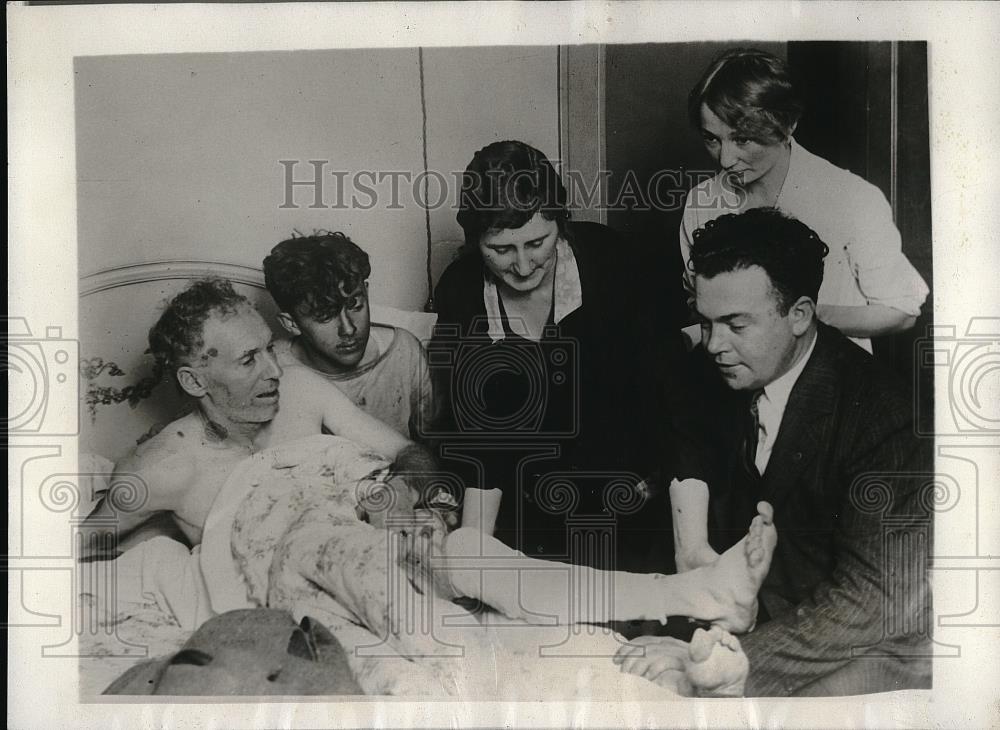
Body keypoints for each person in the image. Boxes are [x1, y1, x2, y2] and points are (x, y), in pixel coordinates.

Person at [616, 208, 932, 695]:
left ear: (799, 315)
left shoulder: (884, 418)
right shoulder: (708, 376)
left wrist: (732, 662)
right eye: (706, 323)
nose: (714, 344)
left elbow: (872, 601)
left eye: (735, 325)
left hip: (850, 648)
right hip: (738, 628)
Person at [429, 139, 690, 574]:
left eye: (537, 242)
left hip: (631, 493)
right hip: (523, 501)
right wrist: (474, 558)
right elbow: (481, 437)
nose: (523, 266)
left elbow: (673, 391)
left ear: (561, 222)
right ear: (475, 240)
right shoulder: (461, 291)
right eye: (500, 249)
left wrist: (659, 478)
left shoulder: (614, 261)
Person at [82, 278, 438, 551]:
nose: (275, 370)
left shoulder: (300, 389)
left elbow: (414, 455)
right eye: (249, 359)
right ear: (194, 381)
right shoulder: (164, 469)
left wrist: (398, 493)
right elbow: (79, 546)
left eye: (269, 348)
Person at [679, 48, 929, 352]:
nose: (725, 159)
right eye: (712, 139)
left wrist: (807, 316)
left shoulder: (852, 197)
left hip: (829, 372)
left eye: (742, 139)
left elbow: (902, 311)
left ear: (787, 126)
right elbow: (702, 305)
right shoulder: (702, 201)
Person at [263, 231, 432, 440]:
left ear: (366, 293)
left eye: (355, 305)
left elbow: (432, 444)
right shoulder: (271, 370)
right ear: (291, 323)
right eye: (325, 315)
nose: (349, 329)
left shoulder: (404, 351)